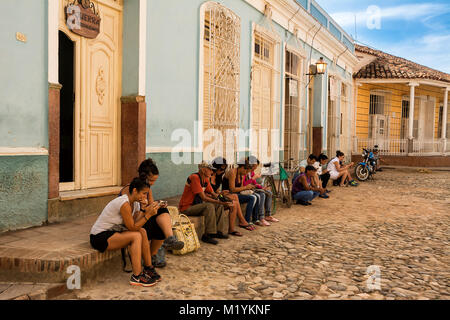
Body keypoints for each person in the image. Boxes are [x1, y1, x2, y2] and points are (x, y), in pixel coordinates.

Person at [90, 178, 160, 287]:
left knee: (142, 231)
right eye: (144, 193)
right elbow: (132, 227)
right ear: (135, 191)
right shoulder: (124, 203)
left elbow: (137, 224)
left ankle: (148, 268)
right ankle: (137, 276)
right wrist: (149, 214)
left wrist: (143, 209)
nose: (145, 197)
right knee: (136, 236)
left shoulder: (135, 204)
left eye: (146, 194)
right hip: (99, 237)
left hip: (113, 233)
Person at [119, 158, 184, 268]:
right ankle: (154, 253)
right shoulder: (131, 189)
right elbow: (130, 214)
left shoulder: (146, 188)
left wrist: (157, 205)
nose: (152, 184)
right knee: (160, 219)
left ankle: (166, 242)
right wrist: (146, 208)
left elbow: (151, 204)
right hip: (130, 223)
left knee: (162, 213)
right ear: (143, 176)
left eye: (154, 181)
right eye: (151, 181)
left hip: (141, 220)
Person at [179, 162, 232, 245]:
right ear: (203, 170)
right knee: (209, 206)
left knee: (219, 205)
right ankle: (208, 235)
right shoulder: (194, 177)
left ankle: (218, 231)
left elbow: (214, 194)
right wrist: (219, 201)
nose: (212, 172)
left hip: (196, 206)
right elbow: (204, 198)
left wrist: (223, 199)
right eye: (210, 170)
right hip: (186, 208)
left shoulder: (205, 179)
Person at [210, 157, 250, 236]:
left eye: (224, 170)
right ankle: (242, 220)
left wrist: (221, 193)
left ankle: (231, 229)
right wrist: (219, 194)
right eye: (221, 169)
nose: (222, 171)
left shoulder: (218, 177)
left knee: (234, 203)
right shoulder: (208, 177)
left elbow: (217, 192)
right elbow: (207, 193)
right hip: (211, 199)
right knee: (234, 197)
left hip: (217, 197)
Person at [222, 161, 260, 229]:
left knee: (254, 196)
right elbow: (232, 189)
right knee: (252, 198)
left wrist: (249, 188)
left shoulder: (241, 175)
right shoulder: (232, 172)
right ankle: (246, 221)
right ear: (242, 168)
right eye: (246, 171)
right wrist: (246, 187)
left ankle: (252, 219)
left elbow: (240, 188)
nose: (246, 173)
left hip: (236, 194)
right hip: (228, 194)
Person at [244, 156, 279, 226]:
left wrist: (262, 187)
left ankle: (268, 215)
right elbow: (244, 184)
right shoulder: (245, 172)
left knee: (269, 193)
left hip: (252, 188)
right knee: (262, 194)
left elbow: (255, 184)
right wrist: (253, 178)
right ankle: (261, 217)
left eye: (256, 166)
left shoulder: (251, 172)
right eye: (254, 166)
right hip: (247, 190)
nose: (255, 168)